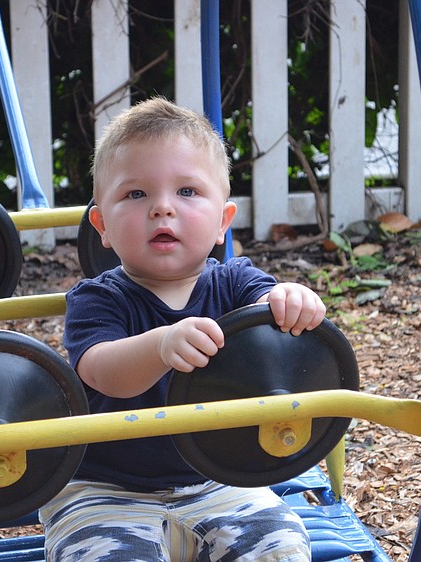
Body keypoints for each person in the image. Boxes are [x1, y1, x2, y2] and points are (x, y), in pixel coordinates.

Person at [39, 97, 326, 561]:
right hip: (104, 489)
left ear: (223, 222)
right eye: (136, 194)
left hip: (221, 480)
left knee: (281, 545)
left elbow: (270, 312)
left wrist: (291, 298)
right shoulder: (98, 298)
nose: (162, 209)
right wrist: (160, 346)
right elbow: (100, 371)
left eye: (188, 192)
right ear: (101, 226)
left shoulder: (234, 281)